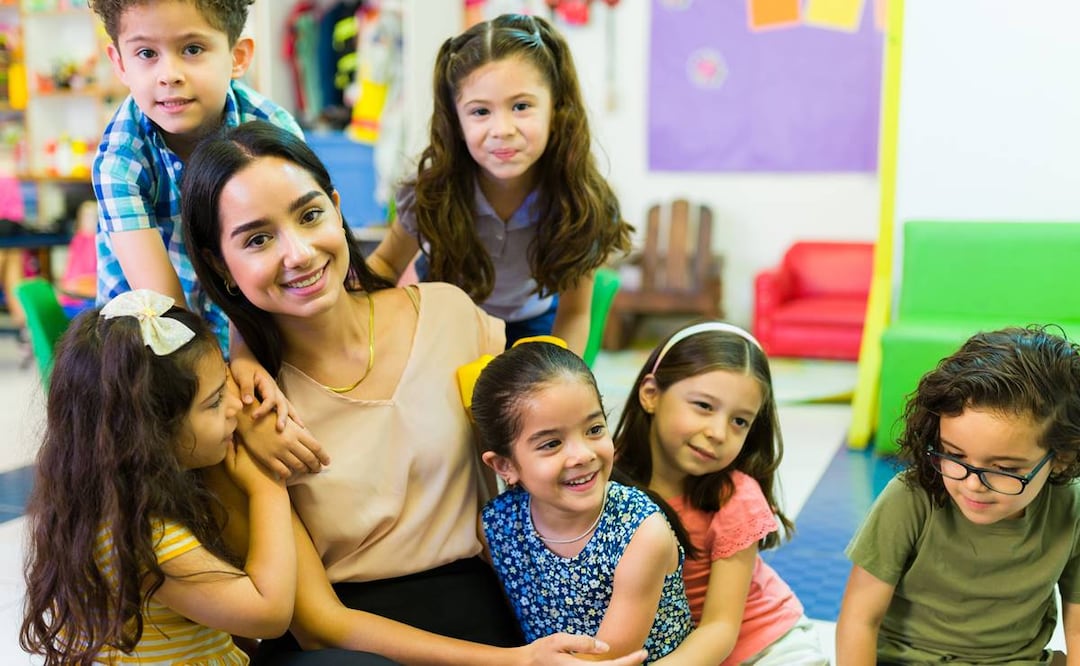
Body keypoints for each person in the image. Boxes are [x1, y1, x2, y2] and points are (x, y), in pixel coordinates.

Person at [181, 119, 647, 666]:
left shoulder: (449, 316)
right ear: (221, 264)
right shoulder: (242, 409)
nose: (299, 253)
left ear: (336, 208)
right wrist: (518, 663)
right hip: (350, 645)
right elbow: (317, 625)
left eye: (310, 216)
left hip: (488, 612)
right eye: (258, 239)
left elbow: (553, 454)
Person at [19, 289, 295, 665]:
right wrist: (268, 487)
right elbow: (270, 613)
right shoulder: (147, 537)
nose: (236, 406)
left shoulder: (99, 495)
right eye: (215, 401)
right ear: (152, 433)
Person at [90, 0, 317, 455]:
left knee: (282, 434)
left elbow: (273, 256)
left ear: (238, 56)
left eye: (192, 49)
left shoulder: (272, 130)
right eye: (146, 54)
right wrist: (229, 400)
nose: (169, 75)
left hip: (250, 315)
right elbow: (167, 314)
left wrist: (245, 359)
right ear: (119, 62)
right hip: (155, 340)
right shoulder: (119, 161)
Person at [366, 13, 633, 354]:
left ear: (556, 109)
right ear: (456, 120)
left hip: (535, 323)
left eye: (521, 106)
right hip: (448, 323)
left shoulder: (581, 201)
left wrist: (561, 377)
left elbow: (575, 313)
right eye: (480, 112)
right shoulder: (430, 193)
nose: (502, 129)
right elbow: (386, 265)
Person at [836, 326, 1080, 665]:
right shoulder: (910, 498)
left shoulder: (1071, 508)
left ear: (1062, 457)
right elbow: (859, 621)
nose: (973, 484)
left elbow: (1077, 629)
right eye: (954, 455)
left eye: (1005, 468)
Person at [466, 337, 692, 662]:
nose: (583, 455)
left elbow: (606, 658)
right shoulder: (497, 526)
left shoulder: (642, 532)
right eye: (551, 444)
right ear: (505, 466)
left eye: (594, 429)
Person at [614, 322, 829, 665]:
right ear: (651, 394)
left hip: (765, 648)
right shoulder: (602, 474)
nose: (718, 432)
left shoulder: (735, 498)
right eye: (703, 405)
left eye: (739, 421)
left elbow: (720, 629)